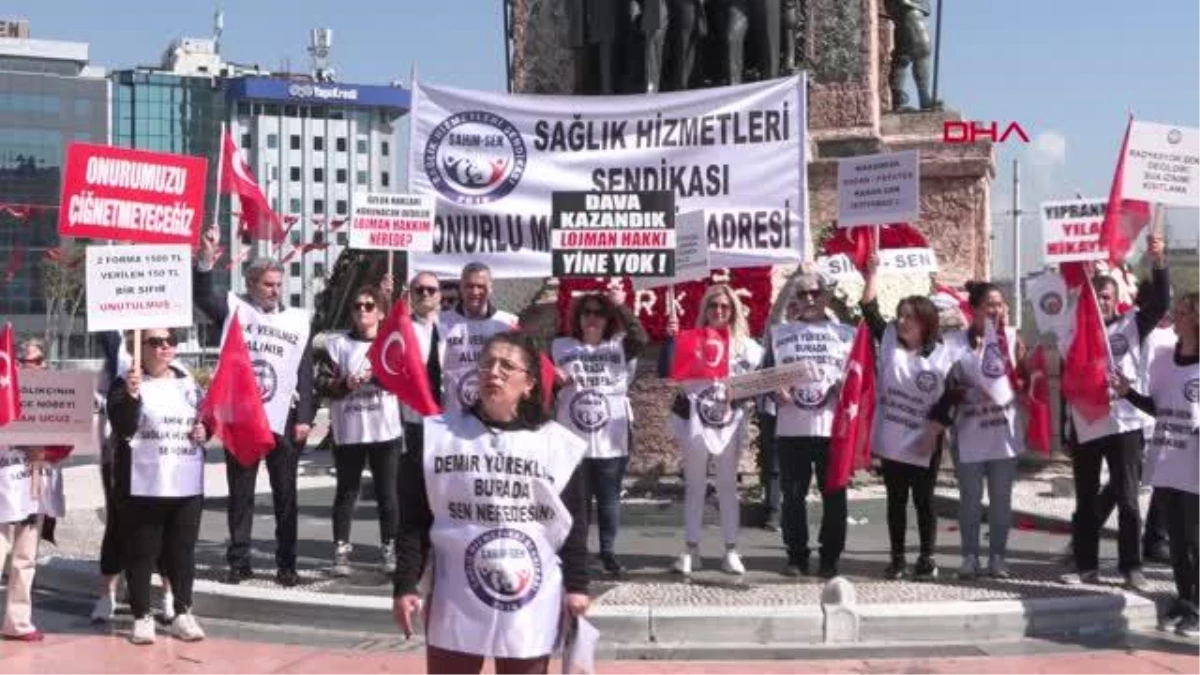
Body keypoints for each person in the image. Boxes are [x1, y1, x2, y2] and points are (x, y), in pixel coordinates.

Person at [392, 332, 590, 674]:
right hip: (456, 593)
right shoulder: (437, 436)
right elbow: (414, 518)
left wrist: (577, 585)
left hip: (530, 597)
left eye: (506, 366)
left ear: (528, 383)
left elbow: (573, 522)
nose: (493, 372)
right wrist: (405, 583)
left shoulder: (557, 446)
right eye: (487, 363)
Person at [194, 227, 315, 587]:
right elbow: (203, 294)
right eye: (268, 284)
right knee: (242, 495)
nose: (275, 290)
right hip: (244, 417)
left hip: (285, 418)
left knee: (286, 497)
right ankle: (239, 561)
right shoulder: (234, 309)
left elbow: (305, 372)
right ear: (251, 284)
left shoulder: (297, 320)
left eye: (279, 284)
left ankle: (286, 564)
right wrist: (205, 259)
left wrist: (306, 417)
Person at [1062, 235, 1168, 591]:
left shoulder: (1132, 325)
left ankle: (1131, 567)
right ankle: (1086, 565)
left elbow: (1160, 303)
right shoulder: (1076, 332)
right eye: (1095, 298)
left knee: (1127, 499)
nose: (1101, 303)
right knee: (1087, 499)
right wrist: (1067, 429)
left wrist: (1158, 262)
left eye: (1106, 297)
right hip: (1087, 423)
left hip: (1125, 422)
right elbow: (1067, 379)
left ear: (1116, 299)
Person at [861, 255, 965, 581]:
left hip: (925, 439)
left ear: (926, 323)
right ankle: (896, 558)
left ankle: (926, 557)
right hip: (893, 435)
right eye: (901, 316)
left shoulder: (943, 353)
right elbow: (869, 310)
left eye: (910, 318)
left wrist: (933, 431)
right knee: (895, 501)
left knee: (923, 500)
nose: (903, 322)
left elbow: (953, 396)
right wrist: (873, 272)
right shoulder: (889, 338)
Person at [106, 328, 207, 644]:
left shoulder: (188, 383)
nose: (165, 346)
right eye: (155, 341)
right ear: (140, 348)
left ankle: (182, 612)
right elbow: (123, 426)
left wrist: (207, 431)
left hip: (185, 481)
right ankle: (141, 616)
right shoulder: (125, 383)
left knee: (182, 551)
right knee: (141, 552)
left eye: (170, 341)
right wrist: (132, 397)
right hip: (142, 484)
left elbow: (206, 418)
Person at [659, 284, 764, 576]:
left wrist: (742, 391)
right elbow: (668, 371)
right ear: (704, 309)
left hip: (729, 423)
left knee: (728, 487)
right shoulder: (691, 340)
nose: (718, 311)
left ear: (733, 311)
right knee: (695, 486)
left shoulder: (748, 346)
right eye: (713, 306)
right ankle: (691, 548)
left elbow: (761, 379)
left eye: (724, 306)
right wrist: (672, 340)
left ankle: (731, 549)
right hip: (696, 422)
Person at [1113, 291, 1200, 637]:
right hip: (1167, 461)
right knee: (1177, 542)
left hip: (1196, 466)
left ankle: (1198, 607)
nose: (1174, 318)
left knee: (1197, 541)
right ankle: (1184, 599)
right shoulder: (1163, 358)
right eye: (1175, 311)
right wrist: (1127, 393)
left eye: (1182, 312)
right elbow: (1159, 408)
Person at [932, 282, 1026, 580]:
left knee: (1001, 501)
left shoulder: (1012, 338)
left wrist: (1022, 383)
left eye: (999, 305)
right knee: (970, 500)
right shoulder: (952, 343)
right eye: (990, 305)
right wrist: (960, 392)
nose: (996, 310)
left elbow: (1025, 378)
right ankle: (969, 556)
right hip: (969, 433)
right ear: (973, 309)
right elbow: (941, 385)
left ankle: (998, 557)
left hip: (1004, 435)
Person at [552, 289, 648, 576]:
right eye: (587, 313)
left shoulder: (618, 346)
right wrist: (558, 382)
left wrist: (621, 306)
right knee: (575, 500)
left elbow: (640, 338)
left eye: (599, 313)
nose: (592, 318)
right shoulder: (561, 346)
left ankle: (608, 552)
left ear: (608, 319)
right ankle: (575, 553)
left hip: (611, 434)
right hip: (573, 434)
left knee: (608, 497)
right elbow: (544, 380)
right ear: (578, 318)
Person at [766, 269, 855, 578]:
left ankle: (830, 556)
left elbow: (857, 376)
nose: (808, 299)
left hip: (832, 428)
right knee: (792, 496)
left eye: (814, 293)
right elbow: (766, 375)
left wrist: (846, 387)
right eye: (801, 294)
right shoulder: (781, 334)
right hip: (792, 427)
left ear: (825, 296)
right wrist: (773, 388)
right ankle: (796, 555)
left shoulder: (844, 334)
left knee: (835, 495)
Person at [317, 285, 404, 577]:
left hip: (384, 430)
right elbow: (323, 383)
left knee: (387, 493)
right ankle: (341, 549)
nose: (362, 311)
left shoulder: (392, 342)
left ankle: (390, 546)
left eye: (369, 306)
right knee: (346, 492)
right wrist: (346, 385)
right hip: (350, 431)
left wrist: (376, 378)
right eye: (357, 306)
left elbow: (403, 379)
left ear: (380, 311)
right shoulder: (336, 344)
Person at [0, 338, 68, 641]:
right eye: (28, 361)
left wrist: (47, 453)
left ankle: (18, 620)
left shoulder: (54, 395)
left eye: (39, 361)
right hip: (4, 483)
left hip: (35, 484)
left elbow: (66, 440)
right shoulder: (3, 392)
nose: (34, 366)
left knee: (25, 556)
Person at [439, 262, 520, 416]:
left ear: (490, 289)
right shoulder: (441, 322)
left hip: (496, 413)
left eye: (481, 286)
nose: (475, 291)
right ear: (461, 288)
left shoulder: (509, 323)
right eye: (469, 286)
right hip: (455, 415)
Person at [399, 271, 443, 469]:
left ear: (439, 295)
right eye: (419, 290)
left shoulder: (452, 328)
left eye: (431, 289)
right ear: (411, 295)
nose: (425, 293)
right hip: (413, 420)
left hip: (448, 420)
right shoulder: (400, 330)